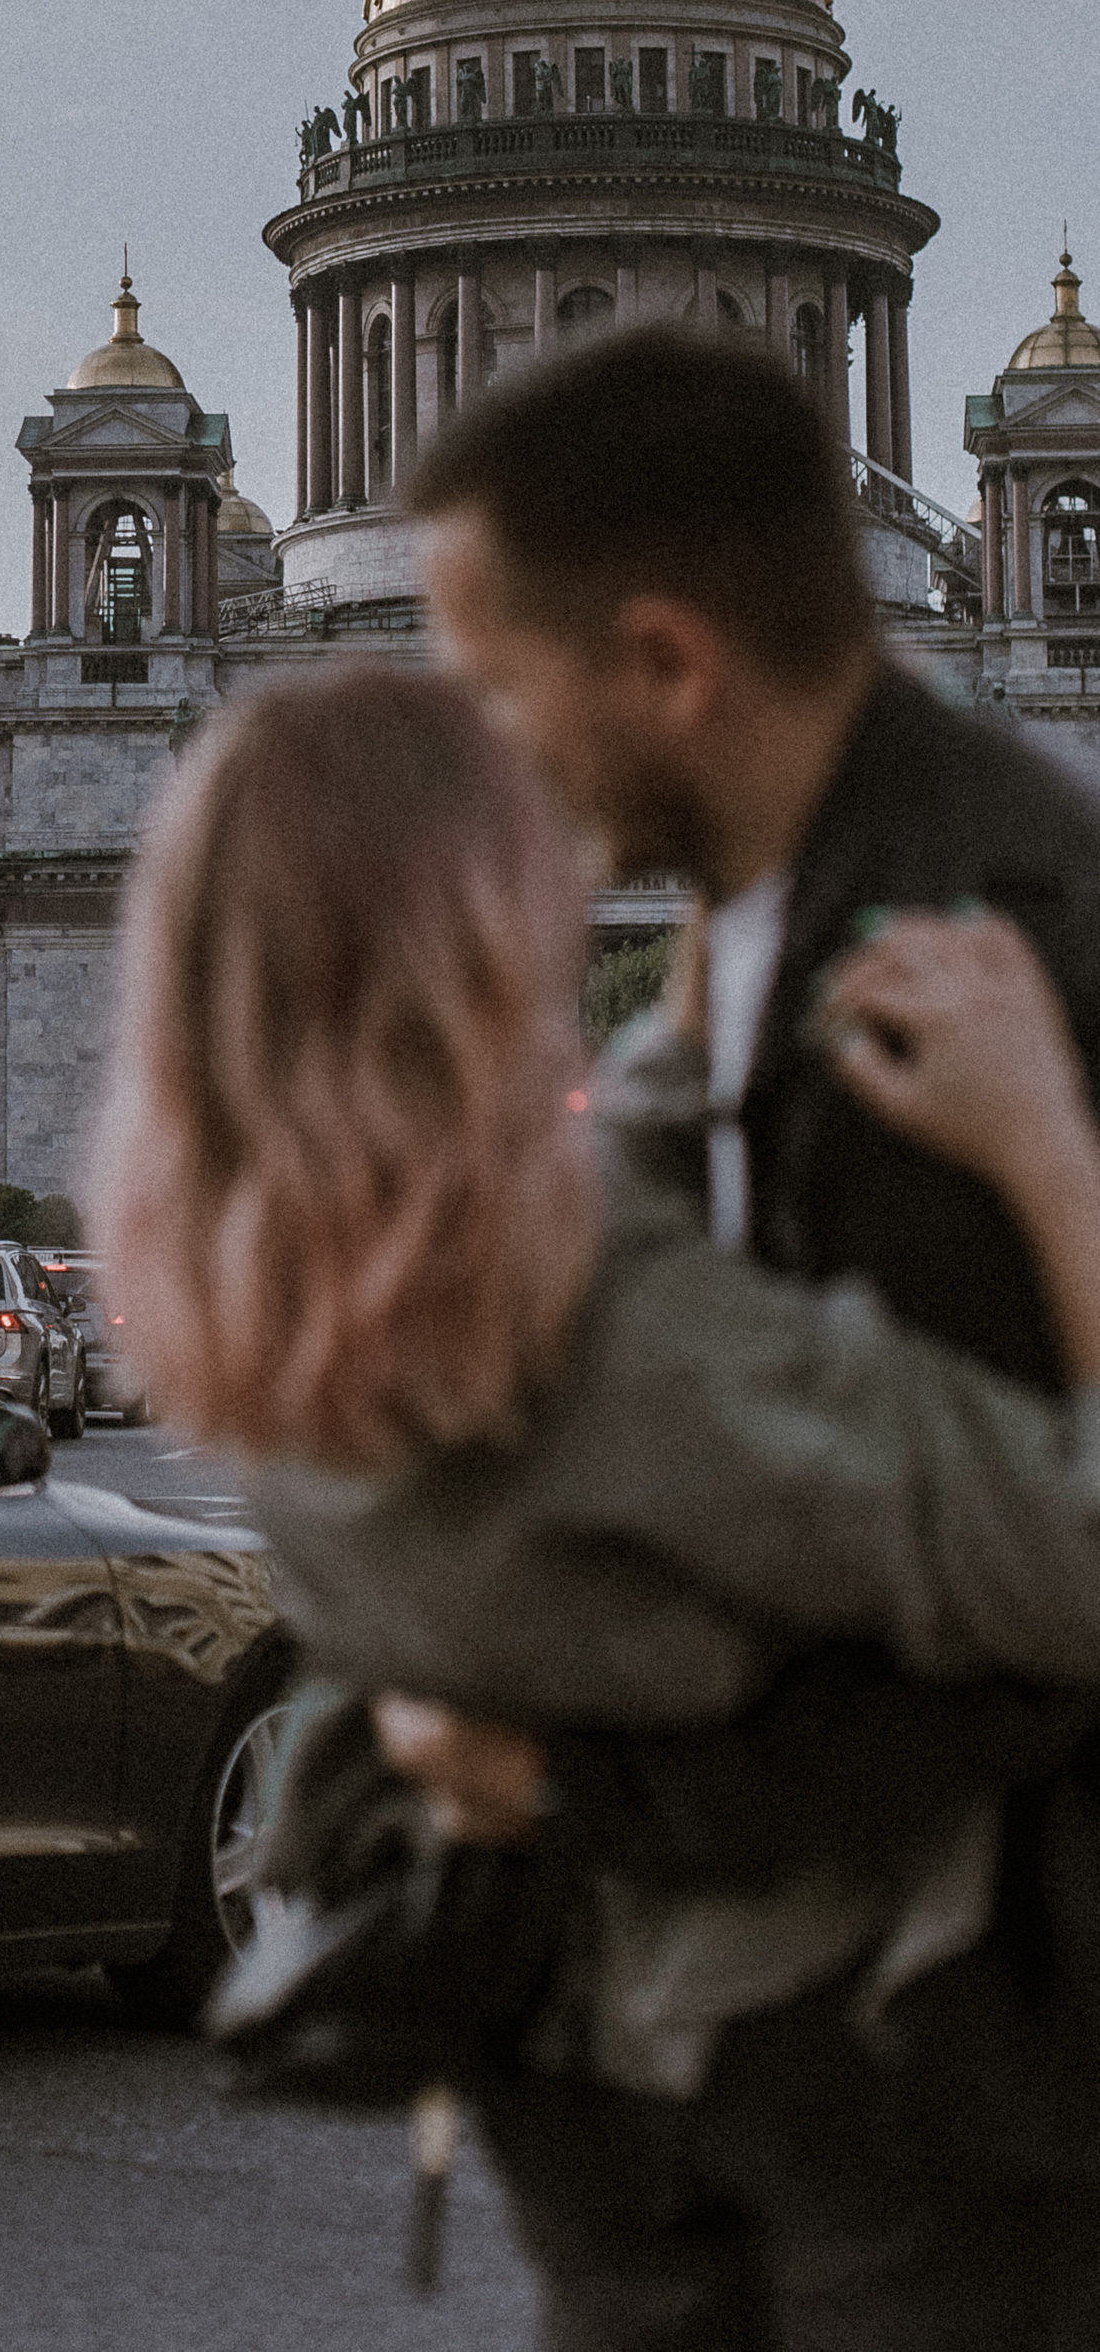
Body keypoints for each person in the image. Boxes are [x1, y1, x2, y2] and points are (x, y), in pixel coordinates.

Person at [95, 660, 1100, 2344]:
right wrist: (1054, 1153)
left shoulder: (247, 1305)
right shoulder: (599, 1327)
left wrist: (697, 1003)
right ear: (489, 930)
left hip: (563, 2096)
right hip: (818, 2067)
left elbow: (597, 1144)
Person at [401, 326, 1100, 2339]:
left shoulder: (963, 942)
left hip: (936, 2090)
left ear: (665, 662)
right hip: (721, 2069)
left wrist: (559, 1785)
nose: (479, 752)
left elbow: (995, 1622)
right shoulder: (756, 908)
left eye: (497, 690)